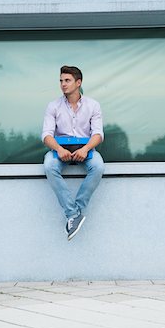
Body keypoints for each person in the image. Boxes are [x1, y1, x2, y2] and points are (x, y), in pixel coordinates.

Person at [42, 65, 105, 240]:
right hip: (60, 150)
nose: (63, 84)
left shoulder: (93, 105)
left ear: (78, 82)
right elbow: (46, 135)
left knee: (98, 166)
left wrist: (85, 149)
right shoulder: (53, 106)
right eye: (61, 81)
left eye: (67, 80)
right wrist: (59, 149)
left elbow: (98, 134)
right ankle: (72, 214)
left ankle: (77, 210)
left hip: (86, 149)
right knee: (49, 165)